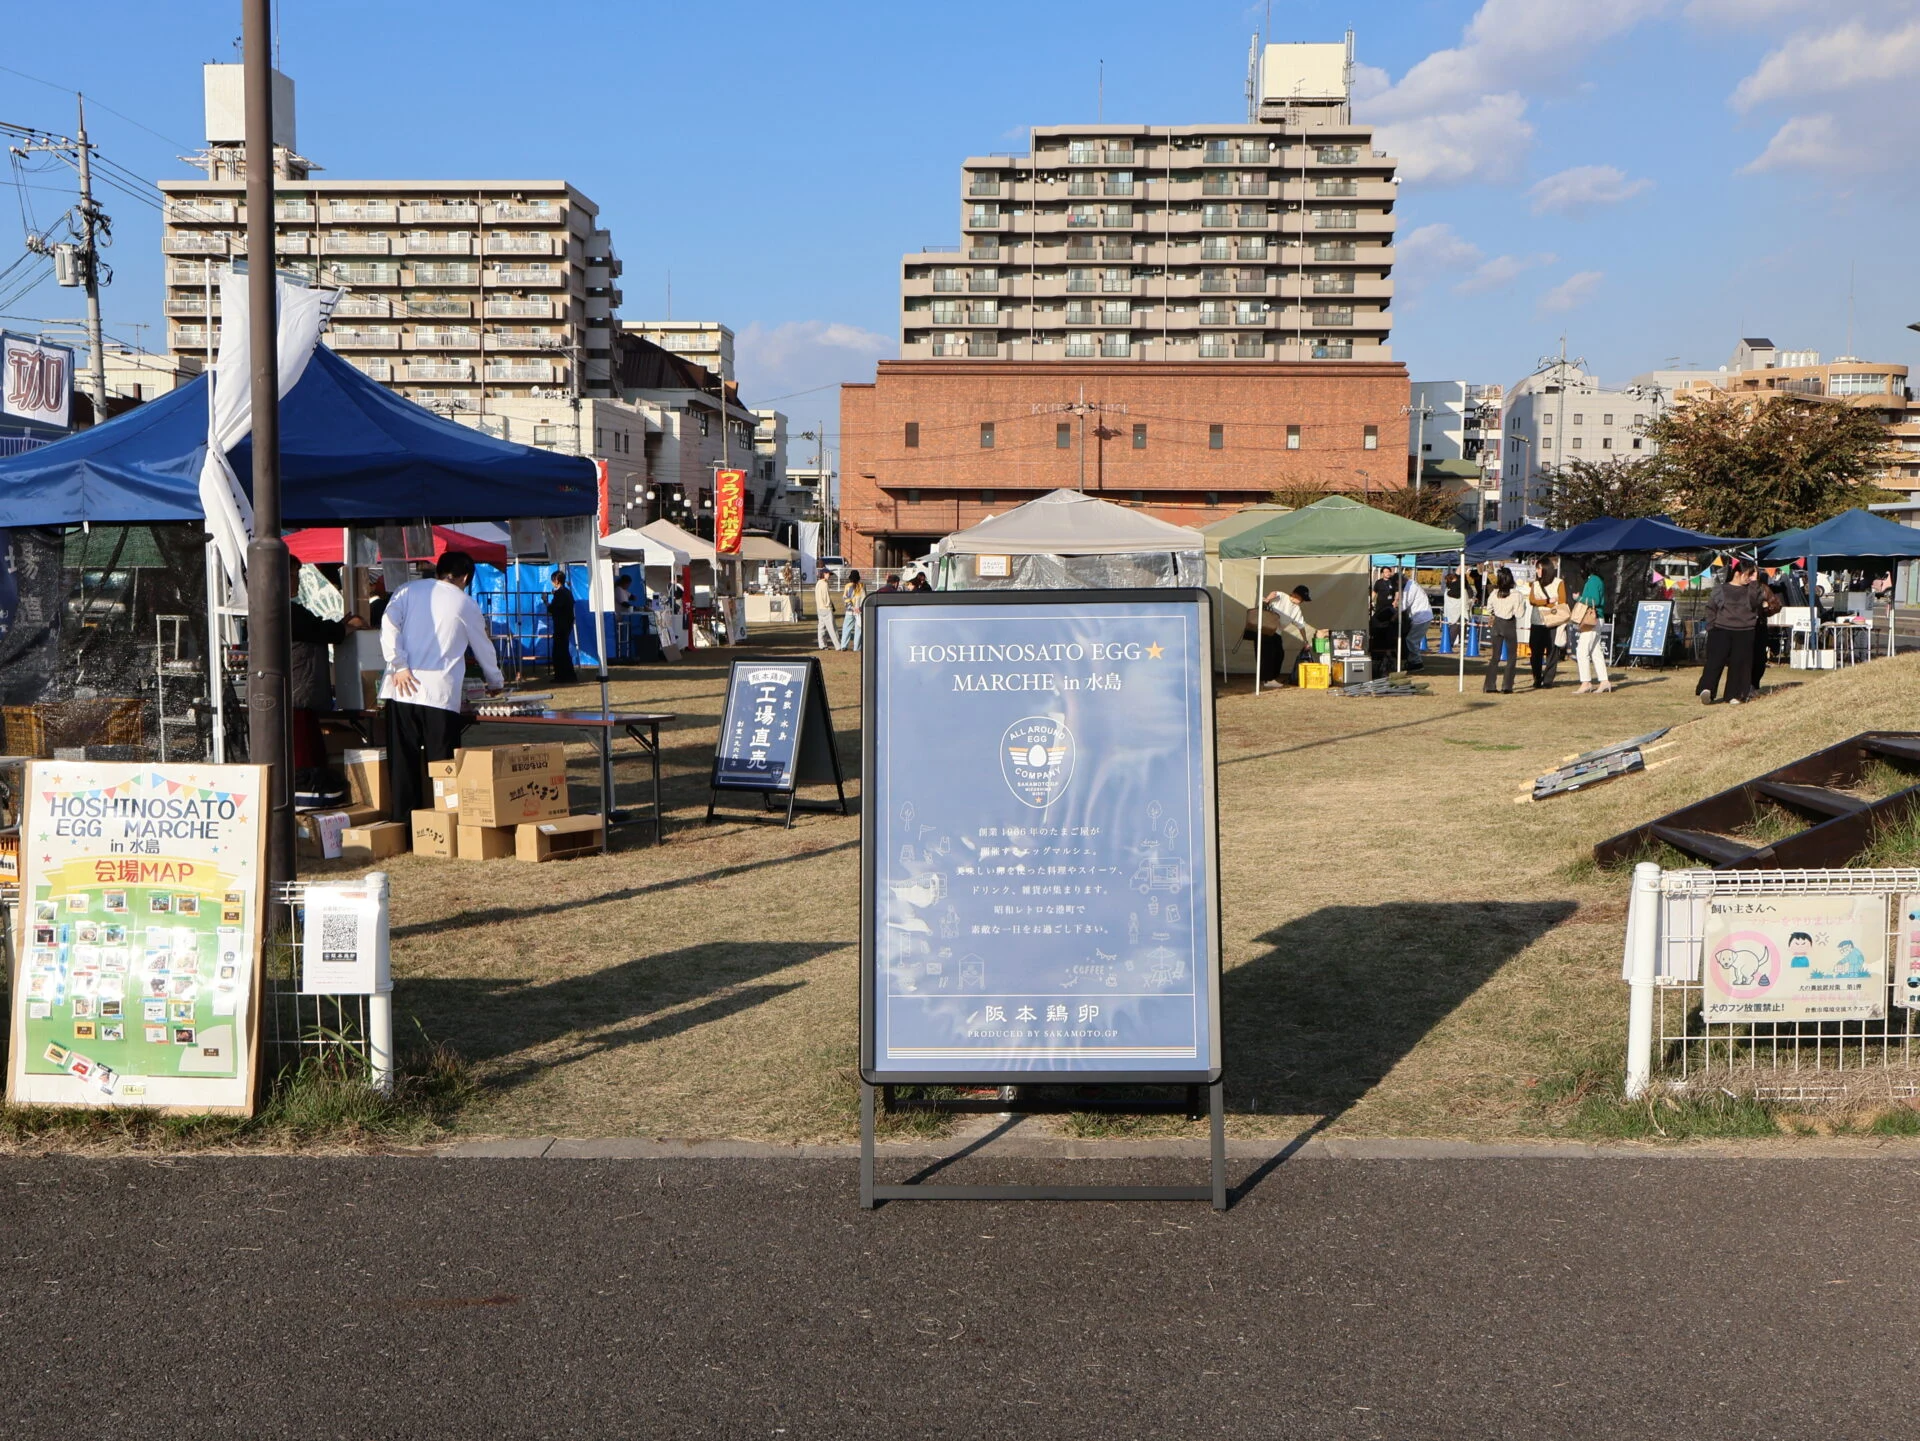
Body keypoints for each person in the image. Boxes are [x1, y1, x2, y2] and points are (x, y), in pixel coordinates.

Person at [380, 551, 504, 826]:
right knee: (443, 764)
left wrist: (398, 664)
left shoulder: (407, 590)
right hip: (439, 693)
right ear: (467, 577)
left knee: (403, 762)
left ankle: (404, 824)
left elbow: (387, 626)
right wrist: (495, 681)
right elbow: (483, 646)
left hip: (401, 688)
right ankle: (445, 822)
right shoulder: (465, 603)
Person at [289, 558, 367, 770]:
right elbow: (322, 631)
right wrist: (347, 627)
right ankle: (307, 791)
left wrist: (341, 626)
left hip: (295, 696)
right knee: (303, 758)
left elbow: (317, 628)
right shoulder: (288, 612)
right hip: (297, 696)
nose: (297, 582)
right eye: (294, 576)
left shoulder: (284, 610)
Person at [1698, 558, 1765, 705]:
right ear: (1737, 573)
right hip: (1721, 630)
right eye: (1748, 574)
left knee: (1740, 664)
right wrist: (1711, 627)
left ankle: (1735, 695)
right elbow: (1711, 608)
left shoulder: (1753, 589)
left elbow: (1756, 603)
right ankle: (1707, 689)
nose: (1750, 577)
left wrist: (1754, 582)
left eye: (1752, 574)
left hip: (1745, 631)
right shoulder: (1720, 589)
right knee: (1714, 662)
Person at [1258, 584, 1316, 690]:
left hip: (1277, 632)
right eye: (1301, 598)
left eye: (1302, 600)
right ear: (1294, 594)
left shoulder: (1296, 610)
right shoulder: (1282, 596)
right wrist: (1268, 599)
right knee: (1268, 654)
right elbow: (1274, 593)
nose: (1301, 601)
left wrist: (1305, 641)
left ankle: (1271, 678)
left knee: (1279, 654)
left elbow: (1301, 626)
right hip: (1265, 628)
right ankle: (1267, 679)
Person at [1526, 560, 1569, 689]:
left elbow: (1562, 601)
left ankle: (1548, 679)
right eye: (1536, 569)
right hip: (1537, 621)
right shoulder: (1535, 584)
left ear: (1546, 569)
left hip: (1553, 622)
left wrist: (1543, 603)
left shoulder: (1559, 583)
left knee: (1552, 652)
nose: (1537, 571)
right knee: (1535, 652)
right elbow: (1532, 600)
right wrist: (1549, 601)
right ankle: (1537, 678)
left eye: (1539, 568)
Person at [1483, 567, 1525, 694]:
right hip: (1509, 624)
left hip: (1497, 624)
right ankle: (1507, 686)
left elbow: (1488, 608)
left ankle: (1489, 685)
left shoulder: (1494, 593)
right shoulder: (1516, 595)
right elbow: (1519, 614)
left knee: (1495, 657)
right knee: (1511, 657)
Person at [1572, 570, 1612, 695]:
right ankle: (1604, 681)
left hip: (1592, 619)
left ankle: (1586, 682)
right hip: (1597, 618)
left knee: (1582, 651)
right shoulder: (1596, 579)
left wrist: (1579, 598)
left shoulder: (1593, 580)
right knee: (1595, 651)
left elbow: (1595, 600)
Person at [1749, 567, 1786, 695]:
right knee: (1746, 658)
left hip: (1760, 626)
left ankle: (1754, 684)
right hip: (1744, 627)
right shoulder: (1741, 588)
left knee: (1759, 659)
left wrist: (1766, 609)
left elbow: (1777, 605)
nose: (1753, 575)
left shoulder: (1763, 588)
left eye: (1755, 572)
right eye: (1751, 572)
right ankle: (1746, 685)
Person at [545, 569, 578, 684]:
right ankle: (569, 675)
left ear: (557, 581)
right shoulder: (567, 592)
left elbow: (554, 609)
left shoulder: (560, 593)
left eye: (553, 581)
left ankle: (561, 676)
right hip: (566, 625)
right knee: (563, 651)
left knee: (559, 652)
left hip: (561, 625)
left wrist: (546, 602)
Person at [1399, 570, 1433, 673]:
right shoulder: (1412, 584)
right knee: (1413, 640)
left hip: (1421, 617)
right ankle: (1413, 660)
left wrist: (1396, 607)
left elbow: (1404, 605)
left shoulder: (1410, 587)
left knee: (1411, 640)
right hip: (1422, 616)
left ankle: (1416, 663)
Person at [840, 570, 866, 652]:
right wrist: (860, 608)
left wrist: (852, 607)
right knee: (858, 629)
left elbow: (846, 598)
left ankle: (843, 645)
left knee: (846, 628)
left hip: (850, 611)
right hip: (859, 611)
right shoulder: (862, 586)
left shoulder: (848, 586)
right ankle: (857, 647)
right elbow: (864, 598)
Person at [813, 570, 840, 650]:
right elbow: (826, 597)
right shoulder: (824, 584)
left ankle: (822, 645)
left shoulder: (818, 583)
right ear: (824, 574)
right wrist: (830, 605)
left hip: (819, 608)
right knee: (832, 628)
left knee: (821, 628)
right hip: (826, 608)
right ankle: (838, 646)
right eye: (828, 574)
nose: (829, 576)